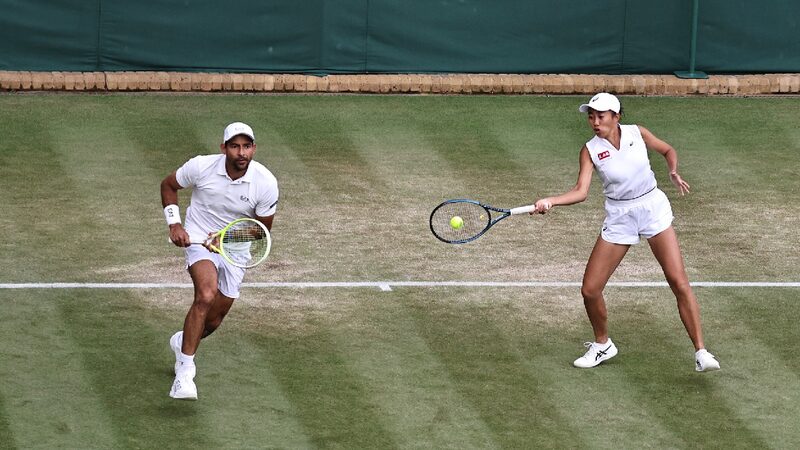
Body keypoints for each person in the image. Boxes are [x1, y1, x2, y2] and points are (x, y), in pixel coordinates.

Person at [531, 93, 720, 372]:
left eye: (601, 116)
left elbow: (668, 150)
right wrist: (551, 201)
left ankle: (701, 352)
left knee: (678, 281)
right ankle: (603, 344)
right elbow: (581, 192)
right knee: (590, 289)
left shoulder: (637, 133)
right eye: (591, 116)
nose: (595, 122)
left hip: (652, 208)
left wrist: (673, 171)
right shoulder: (590, 150)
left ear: (616, 116)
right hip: (620, 216)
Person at [160, 122, 279, 399]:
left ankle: (182, 342)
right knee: (206, 293)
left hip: (236, 249)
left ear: (254, 149)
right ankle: (185, 374)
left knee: (212, 321)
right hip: (199, 237)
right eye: (235, 146)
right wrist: (175, 225)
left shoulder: (266, 183)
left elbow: (261, 231)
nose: (241, 153)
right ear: (223, 148)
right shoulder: (200, 167)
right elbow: (168, 185)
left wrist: (226, 239)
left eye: (247, 146)